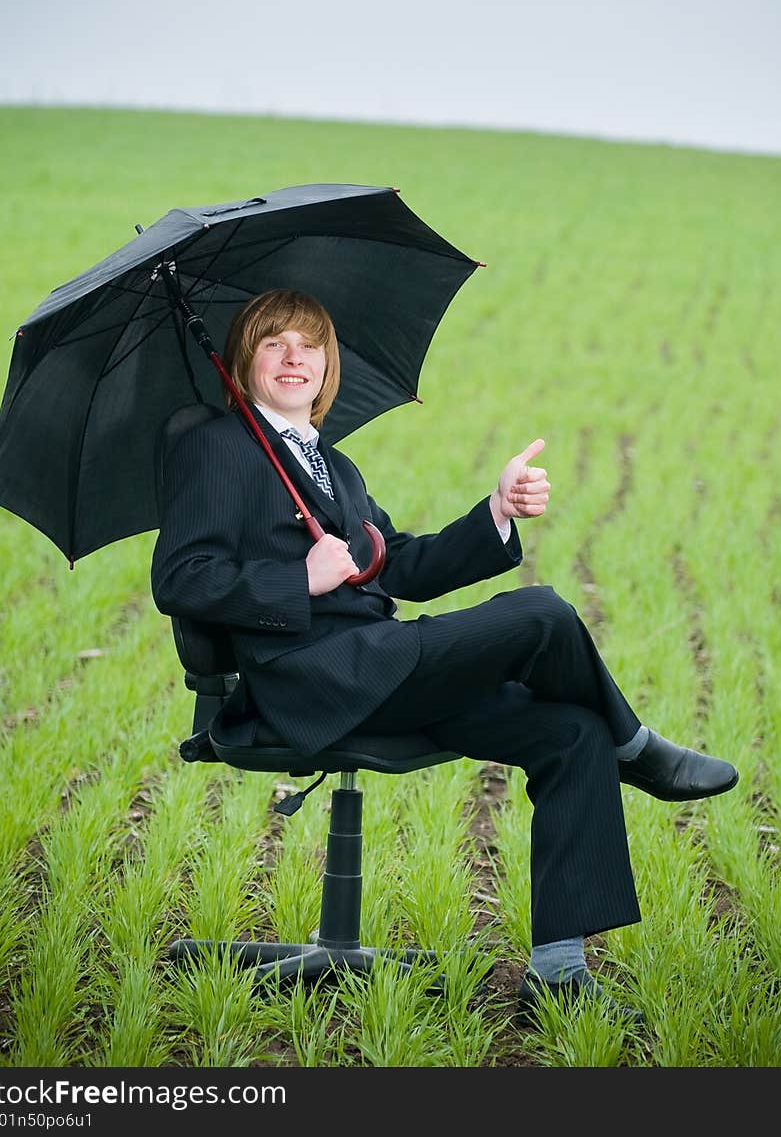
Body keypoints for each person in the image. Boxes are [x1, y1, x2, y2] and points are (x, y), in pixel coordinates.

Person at [151, 288, 739, 1020]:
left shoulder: (335, 467)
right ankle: (640, 748)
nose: (294, 356)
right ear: (244, 364)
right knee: (542, 613)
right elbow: (179, 577)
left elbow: (401, 563)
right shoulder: (216, 446)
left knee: (568, 731)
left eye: (309, 343)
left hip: (383, 668)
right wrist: (298, 578)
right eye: (274, 343)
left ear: (329, 364)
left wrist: (494, 512)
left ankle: (558, 974)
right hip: (318, 682)